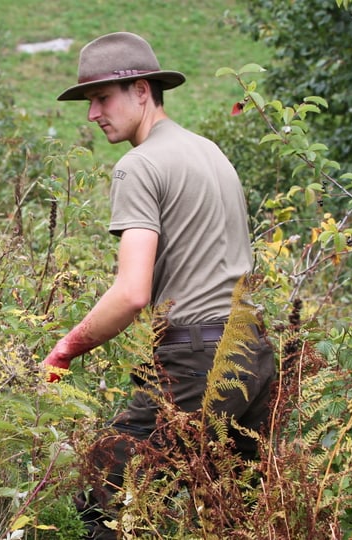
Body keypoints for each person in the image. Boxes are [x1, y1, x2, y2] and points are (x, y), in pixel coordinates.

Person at [41, 32, 275, 538]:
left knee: (104, 502)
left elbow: (131, 293)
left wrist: (65, 348)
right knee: (232, 518)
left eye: (102, 98)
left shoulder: (138, 166)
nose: (92, 113)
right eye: (88, 101)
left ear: (142, 91)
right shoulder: (210, 152)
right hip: (253, 352)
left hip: (196, 360)